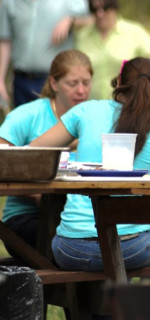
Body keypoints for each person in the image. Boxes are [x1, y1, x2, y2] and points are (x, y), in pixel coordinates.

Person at [31, 57, 150, 274]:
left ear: (118, 82)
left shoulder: (85, 112)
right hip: (132, 248)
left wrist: (73, 159)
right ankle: (149, 307)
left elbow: (35, 152)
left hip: (71, 248)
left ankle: (103, 307)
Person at [0, 49, 92, 258]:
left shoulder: (92, 118)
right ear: (54, 83)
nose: (81, 90)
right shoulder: (28, 114)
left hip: (80, 217)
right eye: (72, 83)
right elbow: (2, 158)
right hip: (29, 218)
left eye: (86, 83)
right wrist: (40, 195)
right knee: (84, 245)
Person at [0, 0, 91, 107]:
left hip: (57, 82)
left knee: (54, 131)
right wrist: (0, 79)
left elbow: (92, 21)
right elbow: (5, 41)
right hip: (21, 81)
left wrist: (70, 21)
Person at [75, 0, 150, 100]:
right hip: (91, 110)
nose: (100, 14)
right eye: (95, 9)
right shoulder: (82, 37)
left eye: (105, 8)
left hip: (126, 109)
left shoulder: (134, 33)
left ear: (114, 8)